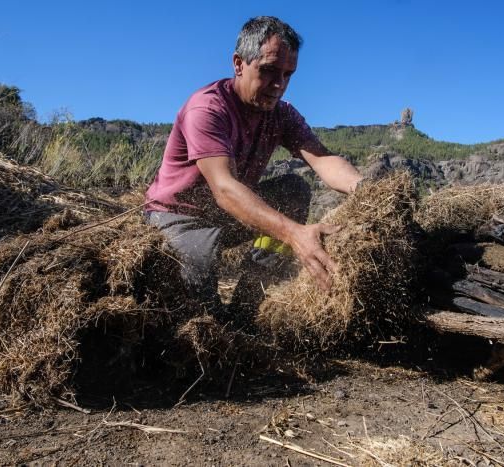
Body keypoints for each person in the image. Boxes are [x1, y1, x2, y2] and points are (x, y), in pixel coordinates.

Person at [144, 16, 362, 311]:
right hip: (178, 218)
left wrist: (366, 190)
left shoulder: (282, 115)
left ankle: (248, 303)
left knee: (294, 190)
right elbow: (224, 188)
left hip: (228, 216)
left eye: (288, 74)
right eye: (269, 71)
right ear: (238, 64)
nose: (279, 85)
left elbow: (323, 159)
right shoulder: (207, 108)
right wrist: (295, 234)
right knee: (202, 312)